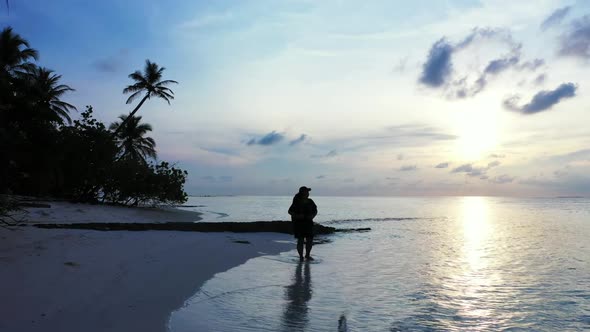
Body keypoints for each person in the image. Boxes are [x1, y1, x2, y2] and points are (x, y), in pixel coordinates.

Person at [288, 186, 317, 261]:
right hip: (299, 224)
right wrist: (298, 216)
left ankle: (307, 255)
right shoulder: (297, 202)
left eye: (308, 192)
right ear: (302, 193)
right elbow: (290, 211)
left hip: (309, 223)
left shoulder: (310, 201)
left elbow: (315, 210)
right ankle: (301, 257)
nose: (308, 193)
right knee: (300, 241)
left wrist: (312, 216)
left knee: (309, 240)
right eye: (306, 192)